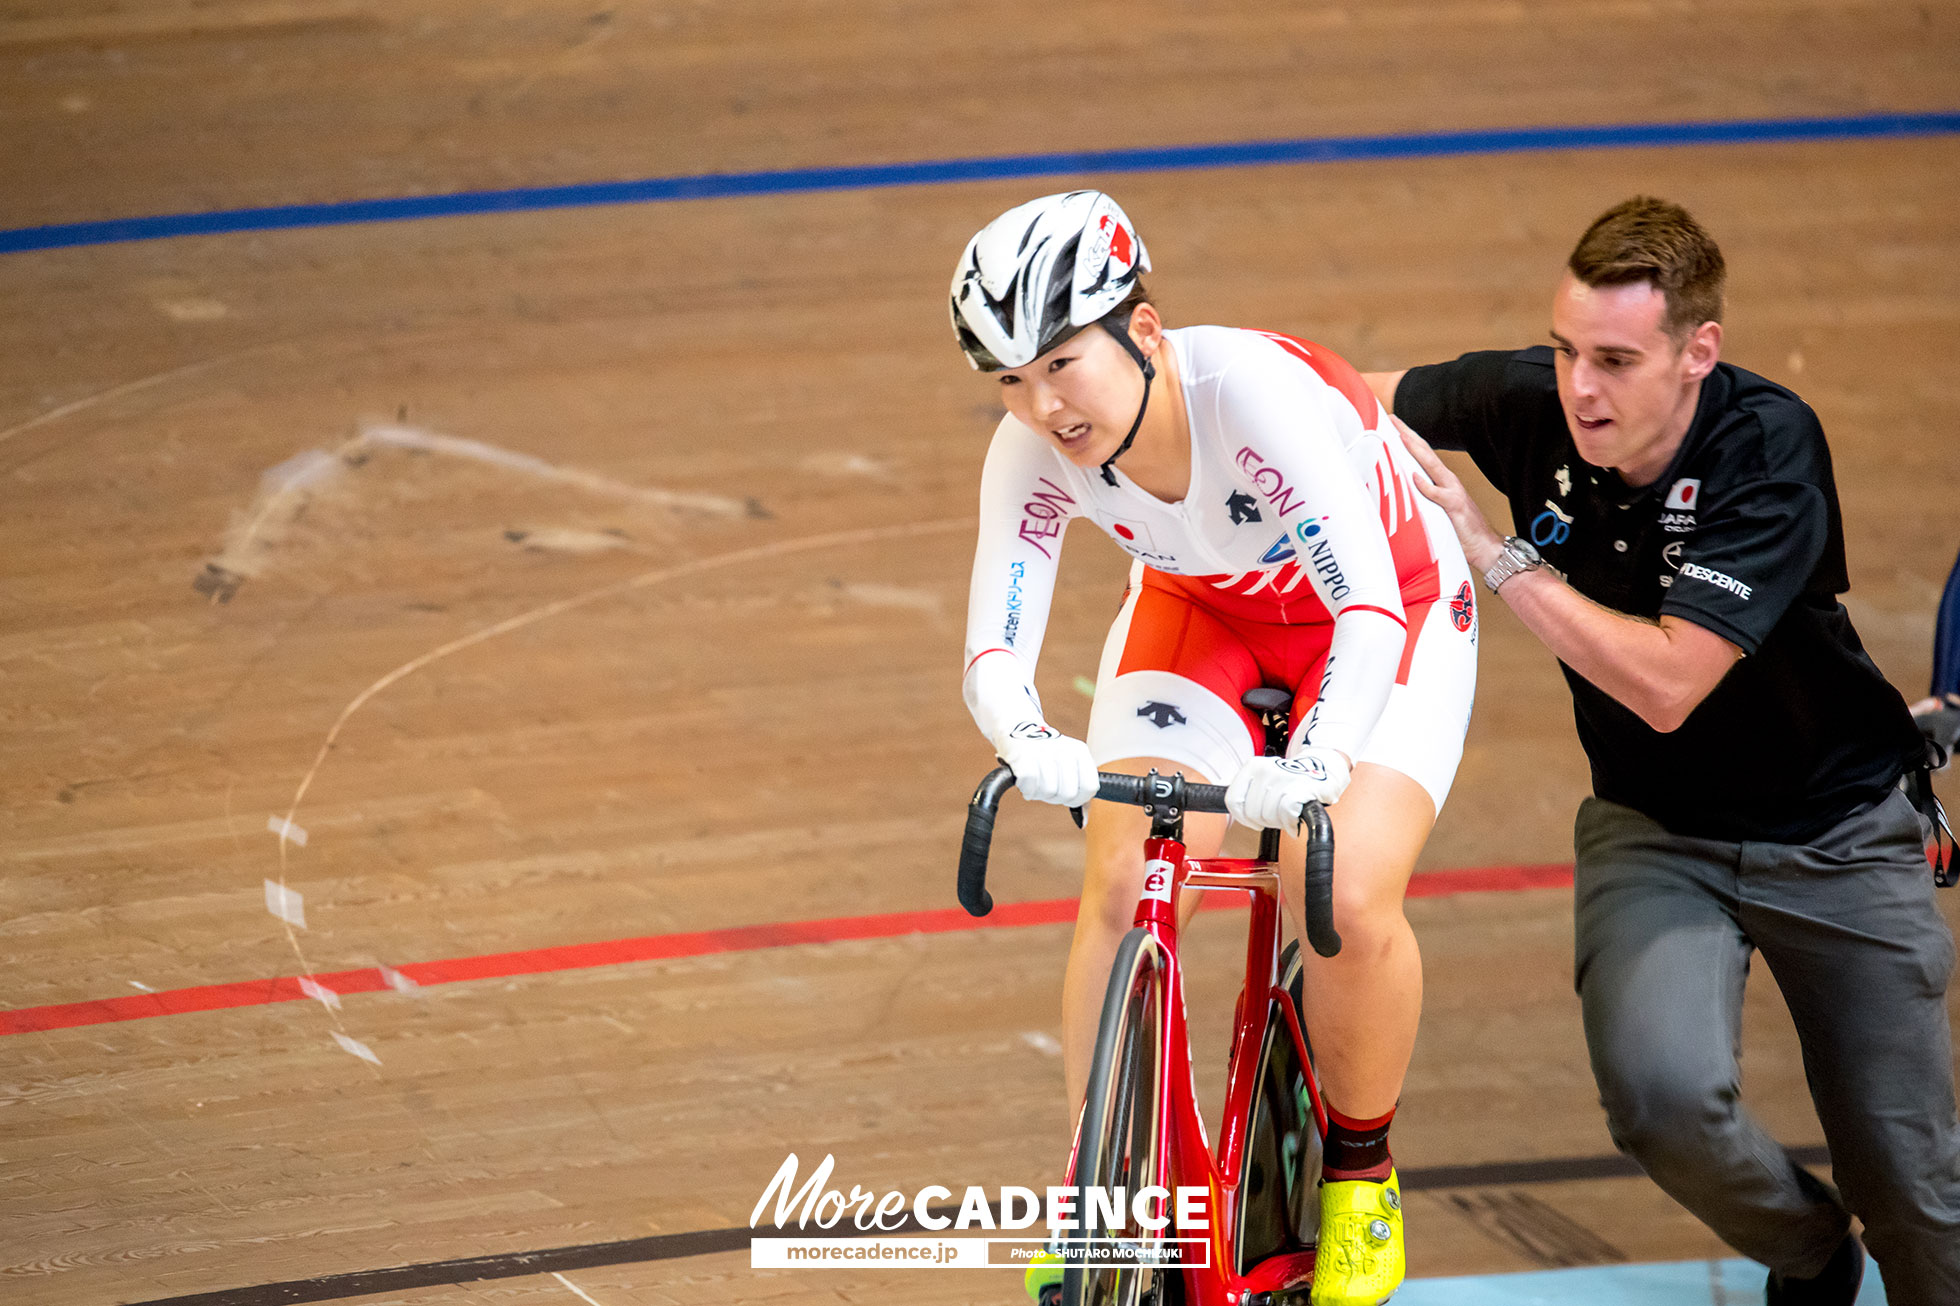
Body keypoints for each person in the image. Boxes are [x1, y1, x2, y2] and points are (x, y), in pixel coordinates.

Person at [1366, 196, 1960, 1305]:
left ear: (1698, 353)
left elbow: (1666, 683)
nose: (1578, 386)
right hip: (1656, 832)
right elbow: (1336, 399)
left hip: (1836, 834)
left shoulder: (1767, 447)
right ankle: (1807, 1252)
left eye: (1613, 359)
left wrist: (1488, 555)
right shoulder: (1531, 401)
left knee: (1920, 1201)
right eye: (1562, 349)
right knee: (1658, 1099)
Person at [951, 191, 1478, 1306]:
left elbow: (1370, 615)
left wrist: (1319, 763)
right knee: (1122, 879)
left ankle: (1359, 1168)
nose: (1043, 406)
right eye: (1009, 379)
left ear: (1143, 331)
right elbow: (993, 648)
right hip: (1209, 614)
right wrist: (1028, 734)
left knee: (1333, 888)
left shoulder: (1255, 397)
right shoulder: (1029, 449)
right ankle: (1098, 1198)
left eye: (1059, 362)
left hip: (1392, 611)